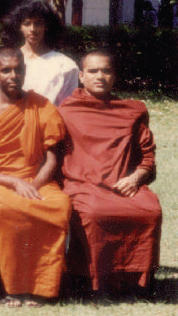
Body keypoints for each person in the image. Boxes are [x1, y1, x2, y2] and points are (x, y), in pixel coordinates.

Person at [0, 47, 70, 307]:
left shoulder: (41, 105)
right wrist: (13, 183)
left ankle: (42, 288)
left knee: (57, 206)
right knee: (2, 210)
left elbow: (52, 158)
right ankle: (10, 288)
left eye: (18, 69)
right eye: (6, 70)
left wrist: (34, 184)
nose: (13, 75)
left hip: (36, 179)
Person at [58, 50, 162, 296]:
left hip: (123, 184)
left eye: (106, 71)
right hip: (82, 185)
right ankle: (94, 281)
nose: (100, 76)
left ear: (114, 77)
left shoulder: (130, 111)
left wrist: (135, 178)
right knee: (95, 213)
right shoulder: (67, 111)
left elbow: (148, 156)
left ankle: (137, 281)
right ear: (81, 76)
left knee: (151, 210)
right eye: (93, 71)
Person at [0, 0, 78, 105]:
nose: (33, 29)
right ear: (20, 27)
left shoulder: (65, 65)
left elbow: (67, 106)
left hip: (49, 119)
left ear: (47, 26)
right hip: (12, 118)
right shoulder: (8, 60)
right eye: (27, 24)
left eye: (38, 24)